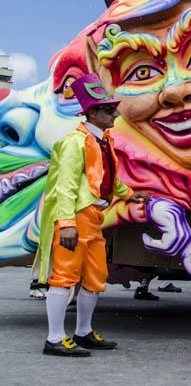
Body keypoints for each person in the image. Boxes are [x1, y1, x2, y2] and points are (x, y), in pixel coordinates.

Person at [37, 74, 150, 356]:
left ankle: (83, 332)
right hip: (76, 217)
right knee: (64, 276)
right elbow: (64, 185)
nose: (116, 114)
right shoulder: (73, 142)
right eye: (110, 110)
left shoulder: (103, 141)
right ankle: (54, 338)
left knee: (95, 277)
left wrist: (128, 194)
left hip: (94, 217)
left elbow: (106, 178)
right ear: (94, 113)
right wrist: (66, 224)